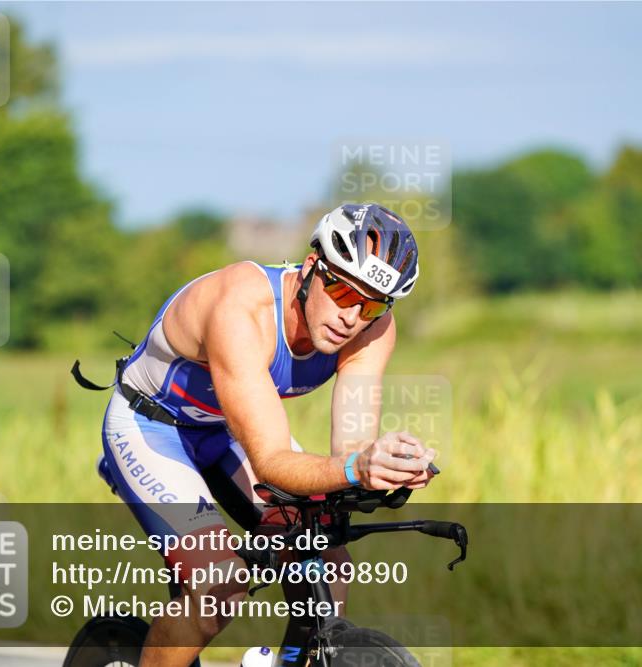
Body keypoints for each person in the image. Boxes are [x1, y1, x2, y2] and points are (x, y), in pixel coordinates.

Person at [96, 203, 437, 667]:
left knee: (325, 555)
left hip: (225, 430)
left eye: (372, 303)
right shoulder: (241, 309)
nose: (351, 316)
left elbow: (353, 450)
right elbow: (273, 462)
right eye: (341, 290)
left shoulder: (372, 330)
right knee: (219, 584)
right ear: (313, 267)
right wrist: (357, 467)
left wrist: (387, 464)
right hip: (152, 428)